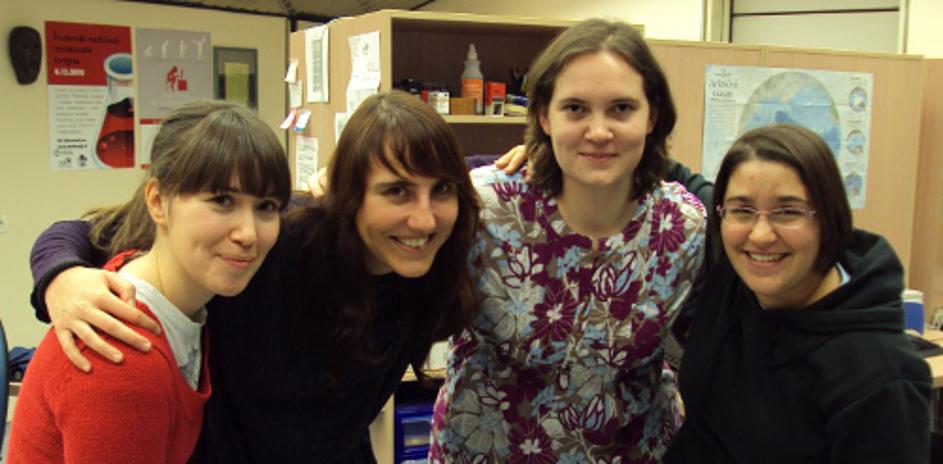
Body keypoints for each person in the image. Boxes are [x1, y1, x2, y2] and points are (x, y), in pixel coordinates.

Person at [24, 91, 482, 463]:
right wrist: (60, 276)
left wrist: (532, 150)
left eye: (441, 191)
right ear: (349, 194)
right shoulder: (277, 240)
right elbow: (85, 231)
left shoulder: (431, 265)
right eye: (397, 192)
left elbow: (475, 172)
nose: (423, 220)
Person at [429, 18, 706, 462]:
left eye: (621, 108)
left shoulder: (683, 228)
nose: (598, 132)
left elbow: (722, 352)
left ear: (651, 115)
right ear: (544, 115)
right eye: (575, 108)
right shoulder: (484, 210)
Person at [8, 100, 292, 463]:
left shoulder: (175, 308)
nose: (248, 233)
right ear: (157, 202)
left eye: (266, 207)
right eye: (222, 200)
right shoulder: (122, 351)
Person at [662, 125, 931, 463]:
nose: (760, 235)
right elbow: (666, 168)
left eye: (788, 212)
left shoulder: (882, 377)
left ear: (829, 218)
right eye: (742, 210)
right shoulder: (733, 271)